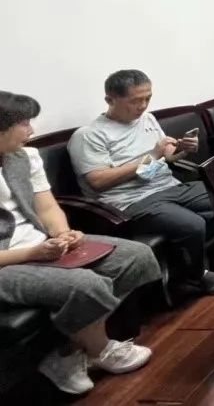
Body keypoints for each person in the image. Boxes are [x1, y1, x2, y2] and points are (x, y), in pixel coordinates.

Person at [0, 91, 161, 395]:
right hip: (7, 261)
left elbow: (47, 207)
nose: (31, 130)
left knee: (136, 256)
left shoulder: (23, 157)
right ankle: (100, 350)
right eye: (23, 123)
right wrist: (32, 253)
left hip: (40, 244)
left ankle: (68, 352)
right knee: (86, 285)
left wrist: (62, 233)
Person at [68, 70, 214, 295]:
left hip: (169, 186)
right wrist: (152, 155)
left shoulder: (147, 119)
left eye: (147, 98)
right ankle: (193, 278)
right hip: (131, 201)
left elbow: (166, 156)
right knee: (192, 225)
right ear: (110, 100)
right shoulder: (89, 135)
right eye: (135, 101)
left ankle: (196, 263)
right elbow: (98, 181)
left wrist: (182, 149)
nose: (143, 106)